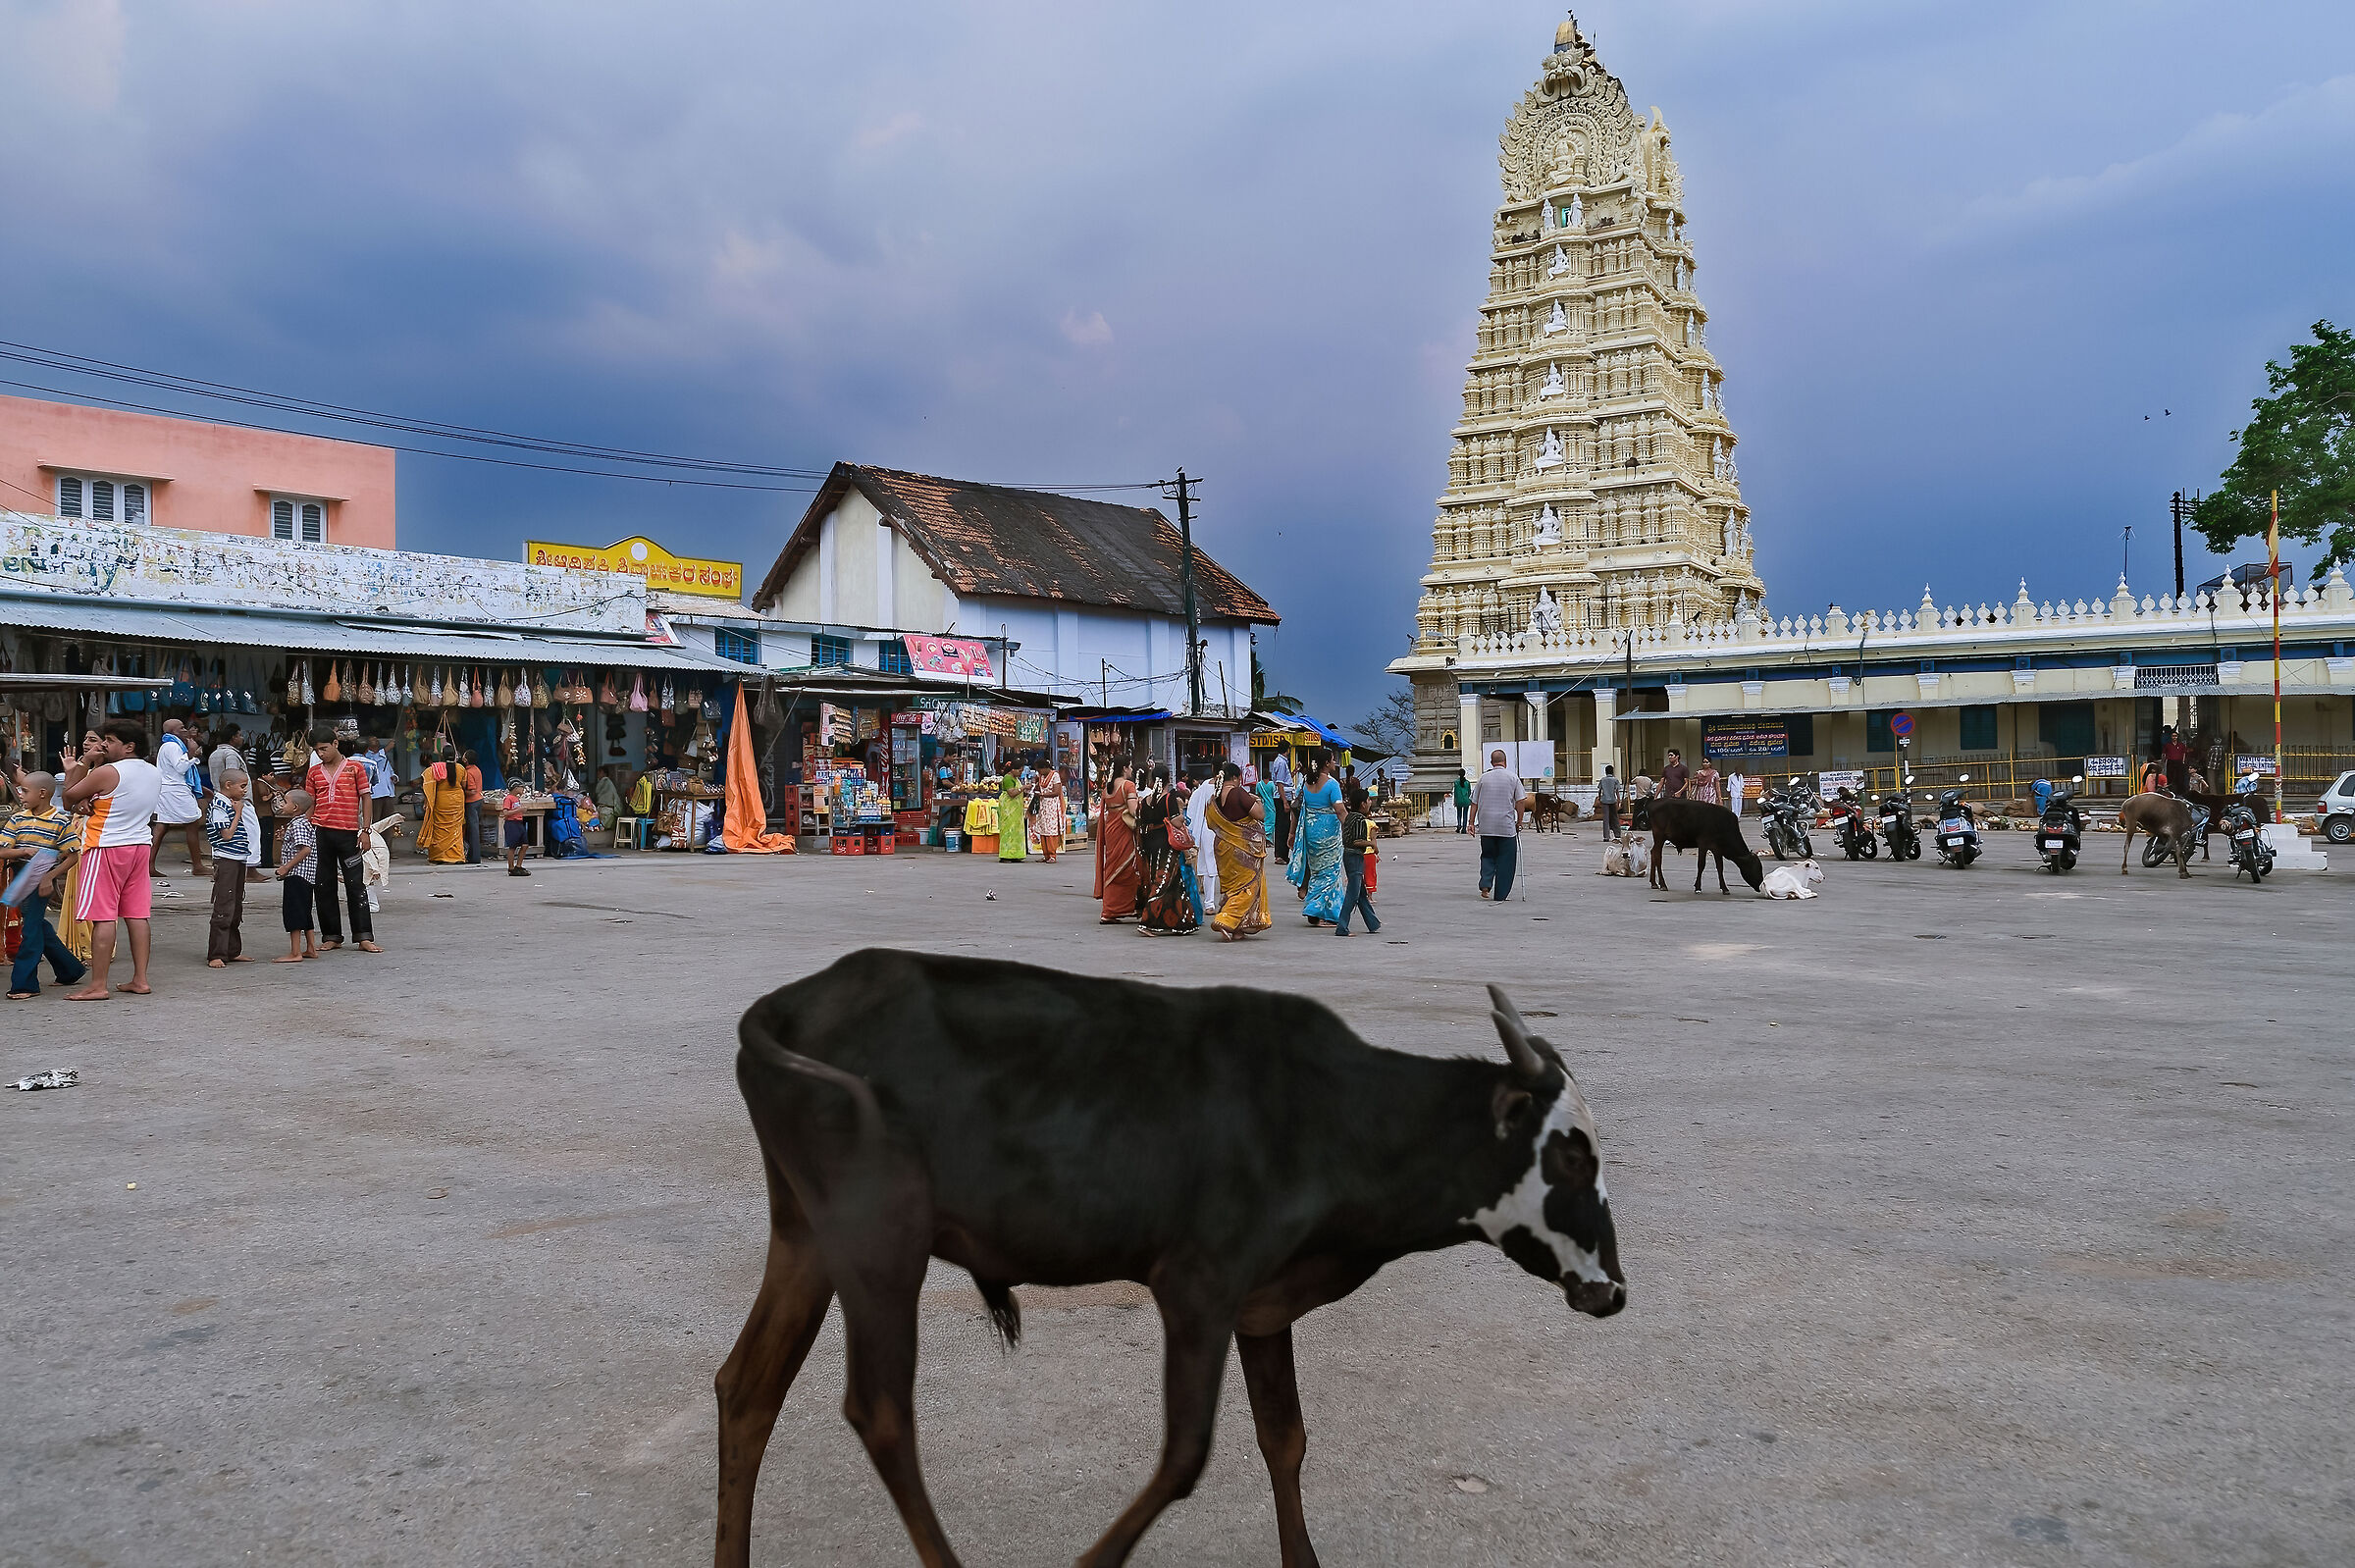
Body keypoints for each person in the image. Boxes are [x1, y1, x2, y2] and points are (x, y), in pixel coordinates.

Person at [59, 719, 161, 999]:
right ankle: (140, 979)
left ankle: (98, 985)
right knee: (137, 915)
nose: (103, 745)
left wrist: (79, 765)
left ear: (129, 747)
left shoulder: (107, 771)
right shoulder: (153, 772)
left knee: (103, 917)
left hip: (105, 847)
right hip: (139, 846)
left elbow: (68, 799)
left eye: (110, 740)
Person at [3, 769, 85, 1000]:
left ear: (42, 793)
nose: (20, 794)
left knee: (29, 932)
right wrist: (23, 850)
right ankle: (71, 969)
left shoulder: (59, 821)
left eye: (25, 791)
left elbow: (72, 855)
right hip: (20, 876)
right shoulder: (18, 818)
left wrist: (50, 877)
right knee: (38, 926)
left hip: (41, 878)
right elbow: (2, 850)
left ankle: (24, 984)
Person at [305, 728, 381, 953]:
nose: (320, 754)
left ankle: (363, 936)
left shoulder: (355, 768)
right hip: (320, 833)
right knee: (323, 886)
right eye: (317, 750)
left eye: (324, 748)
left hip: (349, 834)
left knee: (356, 886)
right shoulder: (314, 773)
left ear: (336, 743)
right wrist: (302, 828)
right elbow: (310, 803)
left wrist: (365, 830)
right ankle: (332, 935)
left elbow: (366, 798)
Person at [203, 768, 262, 967]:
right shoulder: (220, 805)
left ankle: (232, 950)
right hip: (226, 859)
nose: (245, 790)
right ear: (228, 785)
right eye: (242, 786)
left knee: (236, 904)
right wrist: (238, 813)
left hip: (238, 858)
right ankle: (216, 953)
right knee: (224, 905)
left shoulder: (229, 803)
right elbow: (226, 835)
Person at [1207, 762, 1271, 941]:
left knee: (1231, 888)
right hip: (1242, 848)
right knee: (1247, 886)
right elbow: (1259, 814)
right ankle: (1225, 919)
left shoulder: (1216, 797)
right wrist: (1257, 800)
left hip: (1223, 847)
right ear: (1236, 778)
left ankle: (1237, 929)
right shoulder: (1238, 793)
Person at [1133, 768, 1198, 936]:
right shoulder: (1168, 798)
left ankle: (1181, 922)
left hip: (1150, 844)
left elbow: (1140, 821)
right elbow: (1176, 822)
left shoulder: (1146, 800)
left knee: (1174, 882)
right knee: (1162, 882)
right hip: (1166, 845)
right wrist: (1182, 811)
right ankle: (1147, 922)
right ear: (1167, 779)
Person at [1285, 749, 1346, 926]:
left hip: (1310, 832)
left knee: (1317, 872)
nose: (1335, 763)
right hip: (1328, 833)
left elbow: (1297, 809)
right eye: (1333, 760)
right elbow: (1340, 810)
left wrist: (1291, 833)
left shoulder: (1305, 783)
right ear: (1327, 763)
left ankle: (1314, 910)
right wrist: (1352, 827)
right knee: (1330, 873)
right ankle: (1320, 912)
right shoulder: (1332, 784)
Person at [149, 716, 209, 878]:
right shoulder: (172, 746)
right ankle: (197, 865)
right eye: (182, 728)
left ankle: (149, 865)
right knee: (192, 822)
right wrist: (191, 753)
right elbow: (181, 767)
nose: (185, 730)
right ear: (173, 732)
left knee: (162, 825)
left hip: (167, 790)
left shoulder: (168, 745)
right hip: (175, 790)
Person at [1471, 747, 1532, 903]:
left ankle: (1485, 884)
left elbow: (1474, 802)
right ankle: (1501, 894)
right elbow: (1520, 801)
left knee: (1487, 855)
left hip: (1486, 826)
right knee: (1506, 859)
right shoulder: (1513, 778)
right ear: (1505, 762)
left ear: (1492, 762)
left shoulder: (1483, 779)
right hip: (1506, 827)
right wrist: (1519, 821)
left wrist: (1471, 823)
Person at [275, 789, 321, 963]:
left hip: (297, 874)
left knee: (294, 912)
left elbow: (305, 849)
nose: (281, 805)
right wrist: (284, 839)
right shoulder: (301, 823)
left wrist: (286, 867)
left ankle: (295, 952)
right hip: (307, 876)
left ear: (295, 807)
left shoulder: (298, 824)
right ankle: (310, 948)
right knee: (305, 911)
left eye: (285, 802)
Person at [1093, 760, 1141, 922]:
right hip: (1124, 829)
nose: (1132, 769)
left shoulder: (1107, 788)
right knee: (1128, 869)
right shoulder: (1128, 786)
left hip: (1110, 830)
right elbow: (1134, 811)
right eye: (1130, 766)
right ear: (1125, 768)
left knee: (1112, 867)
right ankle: (1116, 909)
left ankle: (1111, 910)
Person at [1334, 782, 1382, 937]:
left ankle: (1372, 923)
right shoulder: (1360, 820)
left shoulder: (1349, 817)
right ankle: (1342, 927)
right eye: (1368, 800)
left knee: (1361, 893)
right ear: (1362, 804)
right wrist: (1371, 843)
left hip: (1348, 855)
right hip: (1355, 856)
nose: (1370, 803)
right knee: (1353, 894)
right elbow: (1356, 842)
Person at [420, 747, 469, 863]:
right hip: (457, 800)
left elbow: (426, 780)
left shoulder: (436, 768)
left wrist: (426, 801)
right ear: (455, 756)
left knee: (439, 828)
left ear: (442, 755)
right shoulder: (461, 768)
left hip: (441, 800)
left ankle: (439, 856)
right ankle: (456, 856)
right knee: (456, 828)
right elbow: (464, 785)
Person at [362, 734, 397, 830]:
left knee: (389, 822)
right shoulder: (367, 756)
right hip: (375, 795)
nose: (375, 739)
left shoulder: (383, 756)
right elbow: (374, 761)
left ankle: (387, 844)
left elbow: (390, 771)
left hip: (388, 794)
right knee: (376, 822)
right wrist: (386, 749)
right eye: (372, 739)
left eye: (376, 739)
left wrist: (394, 777)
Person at [1031, 766, 1068, 862]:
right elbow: (1039, 787)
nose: (1039, 771)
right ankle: (1046, 854)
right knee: (1044, 830)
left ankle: (1052, 855)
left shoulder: (1055, 775)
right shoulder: (1041, 776)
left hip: (1052, 806)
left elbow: (1056, 792)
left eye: (1040, 769)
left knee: (1051, 830)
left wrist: (1042, 795)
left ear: (1046, 767)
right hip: (1043, 806)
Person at [1269, 750, 1295, 862]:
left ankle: (1283, 854)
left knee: (1284, 825)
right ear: (1287, 750)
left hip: (1284, 795)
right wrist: (1284, 801)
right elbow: (1280, 782)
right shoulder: (1281, 762)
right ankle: (1280, 855)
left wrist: (1294, 772)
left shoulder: (1281, 761)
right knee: (1282, 826)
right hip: (1282, 797)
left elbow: (1285, 780)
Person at [500, 777, 531, 876]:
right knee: (512, 847)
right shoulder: (508, 798)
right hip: (511, 823)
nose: (523, 790)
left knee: (525, 845)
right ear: (515, 788)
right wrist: (519, 810)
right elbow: (506, 812)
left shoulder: (517, 798)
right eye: (521, 788)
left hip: (519, 823)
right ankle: (511, 867)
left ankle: (519, 865)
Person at [996, 772, 1028, 863]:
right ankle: (1005, 855)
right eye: (1019, 770)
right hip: (1008, 809)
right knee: (1008, 831)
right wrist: (1023, 788)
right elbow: (1011, 793)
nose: (1021, 772)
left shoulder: (1016, 779)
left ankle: (1016, 855)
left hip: (1016, 810)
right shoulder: (1007, 778)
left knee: (1017, 832)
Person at [461, 749, 486, 863]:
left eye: (464, 756)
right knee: (474, 829)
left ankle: (475, 857)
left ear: (465, 760)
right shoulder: (476, 769)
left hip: (471, 801)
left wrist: (460, 791)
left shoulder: (468, 772)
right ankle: (472, 855)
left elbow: (471, 790)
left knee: (473, 829)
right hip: (478, 800)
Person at [1596, 765, 1624, 840]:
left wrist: (1599, 798)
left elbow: (1600, 790)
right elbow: (1617, 791)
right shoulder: (1615, 780)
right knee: (1615, 817)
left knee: (1606, 819)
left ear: (1605, 772)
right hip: (1613, 800)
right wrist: (1619, 800)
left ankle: (1606, 837)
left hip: (1604, 801)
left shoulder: (1602, 780)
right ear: (1612, 771)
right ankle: (1617, 834)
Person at [2164, 728, 2189, 794]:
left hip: (2179, 762)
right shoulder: (2167, 745)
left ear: (2177, 737)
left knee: (2180, 777)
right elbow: (2164, 754)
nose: (2174, 737)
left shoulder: (2181, 745)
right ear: (2171, 737)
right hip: (2170, 762)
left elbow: (2184, 753)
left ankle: (2180, 792)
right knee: (2170, 777)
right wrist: (2163, 762)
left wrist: (2183, 762)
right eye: (2173, 736)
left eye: (2175, 736)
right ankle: (2171, 791)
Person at [1452, 767, 1473, 833]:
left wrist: (1455, 800)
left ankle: (1459, 825)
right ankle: (1464, 828)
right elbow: (1469, 792)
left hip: (1459, 800)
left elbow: (1455, 792)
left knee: (1459, 814)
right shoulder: (1467, 783)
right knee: (1465, 814)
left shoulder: (1456, 783)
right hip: (1466, 800)